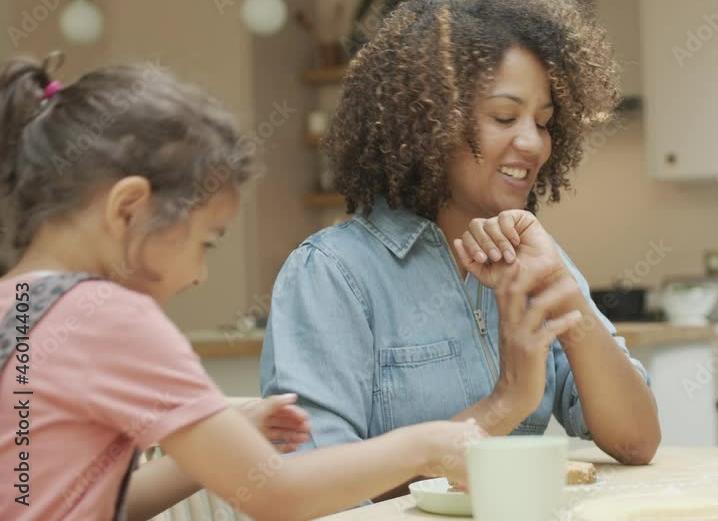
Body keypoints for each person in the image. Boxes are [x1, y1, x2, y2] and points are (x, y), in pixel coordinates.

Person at [0, 54, 483, 521]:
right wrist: (426, 445)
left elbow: (78, 500)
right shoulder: (110, 318)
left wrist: (223, 442)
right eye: (206, 242)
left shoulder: (17, 305)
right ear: (128, 208)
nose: (198, 275)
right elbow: (278, 497)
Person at [261, 0, 661, 489]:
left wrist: (567, 298)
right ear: (427, 122)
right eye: (503, 117)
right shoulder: (332, 274)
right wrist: (505, 402)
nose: (533, 143)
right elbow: (311, 491)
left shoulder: (534, 261)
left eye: (543, 121)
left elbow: (636, 441)